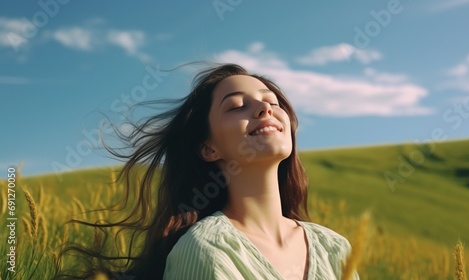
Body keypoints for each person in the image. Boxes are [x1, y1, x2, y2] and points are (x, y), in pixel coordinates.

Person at [55, 63, 358, 280]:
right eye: (237, 106)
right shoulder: (206, 250)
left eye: (271, 101)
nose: (265, 109)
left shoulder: (335, 247)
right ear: (208, 149)